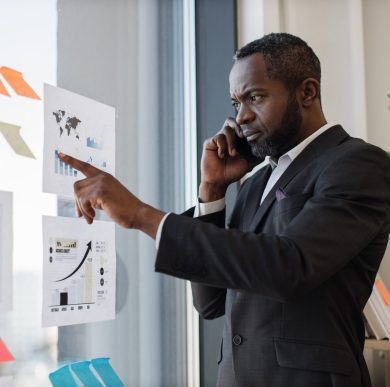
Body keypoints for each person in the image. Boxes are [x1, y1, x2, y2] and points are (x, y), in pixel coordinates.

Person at [59, 33, 390, 387]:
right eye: (236, 103)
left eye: (255, 97)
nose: (241, 117)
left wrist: (143, 215)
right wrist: (212, 192)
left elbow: (291, 266)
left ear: (306, 92)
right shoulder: (252, 185)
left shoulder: (360, 163)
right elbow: (211, 302)